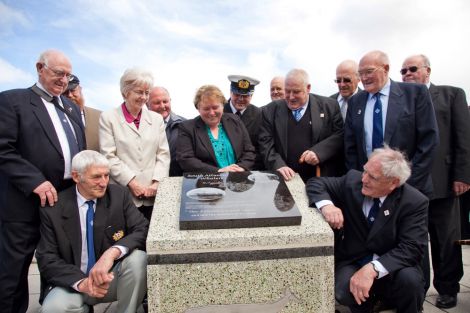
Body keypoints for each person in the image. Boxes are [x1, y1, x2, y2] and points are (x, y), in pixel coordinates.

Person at [0, 49, 86, 312]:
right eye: (58, 73)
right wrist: (34, 180)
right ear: (40, 68)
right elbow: (4, 148)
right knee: (13, 273)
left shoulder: (72, 108)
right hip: (23, 203)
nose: (63, 80)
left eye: (68, 75)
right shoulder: (12, 101)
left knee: (60, 265)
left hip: (64, 202)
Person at [307, 146, 428, 313]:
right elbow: (316, 183)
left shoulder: (414, 202)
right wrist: (327, 206)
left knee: (410, 282)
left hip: (392, 264)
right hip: (355, 258)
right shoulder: (352, 181)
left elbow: (412, 247)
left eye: (373, 177)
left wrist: (373, 269)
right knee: (344, 289)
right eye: (365, 171)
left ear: (393, 182)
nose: (364, 179)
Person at [36, 150, 148, 312]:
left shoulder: (118, 195)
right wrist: (82, 283)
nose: (103, 183)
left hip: (110, 278)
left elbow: (141, 229)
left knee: (139, 259)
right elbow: (47, 259)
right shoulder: (54, 209)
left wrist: (111, 253)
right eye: (96, 177)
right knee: (53, 308)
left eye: (106, 175)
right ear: (76, 177)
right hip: (73, 283)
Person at [401, 54, 470, 309]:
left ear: (427, 71)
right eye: (403, 71)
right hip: (412, 187)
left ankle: (448, 288)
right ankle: (418, 289)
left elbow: (463, 137)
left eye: (412, 69)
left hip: (443, 183)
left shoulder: (452, 95)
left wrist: (462, 175)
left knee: (444, 239)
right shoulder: (403, 103)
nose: (407, 74)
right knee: (415, 240)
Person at [344, 50, 439, 198]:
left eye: (369, 71)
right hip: (368, 188)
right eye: (360, 73)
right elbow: (350, 147)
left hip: (408, 188)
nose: (363, 78)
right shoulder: (355, 101)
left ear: (386, 68)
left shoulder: (415, 94)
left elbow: (429, 141)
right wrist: (361, 180)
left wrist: (404, 183)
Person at [99, 68, 170, 221]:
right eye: (139, 92)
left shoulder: (156, 119)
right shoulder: (108, 117)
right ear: (125, 92)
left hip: (154, 195)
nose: (144, 97)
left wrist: (157, 182)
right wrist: (132, 182)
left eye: (147, 92)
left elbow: (163, 154)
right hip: (124, 194)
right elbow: (108, 156)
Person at [259, 68, 344, 183]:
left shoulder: (329, 106)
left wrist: (319, 152)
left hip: (319, 180)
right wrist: (278, 165)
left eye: (296, 92)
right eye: (287, 91)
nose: (291, 96)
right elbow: (265, 142)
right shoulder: (270, 110)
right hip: (283, 180)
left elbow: (340, 135)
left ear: (308, 88)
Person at [176, 84, 255, 173]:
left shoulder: (235, 121)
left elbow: (249, 151)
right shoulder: (187, 128)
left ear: (223, 105)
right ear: (198, 109)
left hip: (237, 178)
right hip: (206, 183)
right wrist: (218, 171)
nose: (212, 113)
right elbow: (185, 159)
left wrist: (241, 167)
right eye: (206, 109)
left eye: (215, 107)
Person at [223, 75, 264, 170]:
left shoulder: (259, 114)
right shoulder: (218, 111)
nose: (241, 99)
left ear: (252, 95)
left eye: (245, 96)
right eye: (237, 94)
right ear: (230, 92)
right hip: (222, 168)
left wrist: (244, 167)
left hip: (249, 169)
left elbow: (261, 147)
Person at [147, 86, 186, 176]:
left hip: (177, 180)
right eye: (157, 103)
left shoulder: (185, 125)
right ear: (147, 105)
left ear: (170, 101)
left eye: (165, 101)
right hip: (149, 182)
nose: (162, 106)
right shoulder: (140, 127)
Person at [63, 74, 102, 151]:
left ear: (80, 89)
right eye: (65, 92)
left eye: (73, 90)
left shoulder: (100, 117)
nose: (70, 95)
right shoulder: (56, 117)